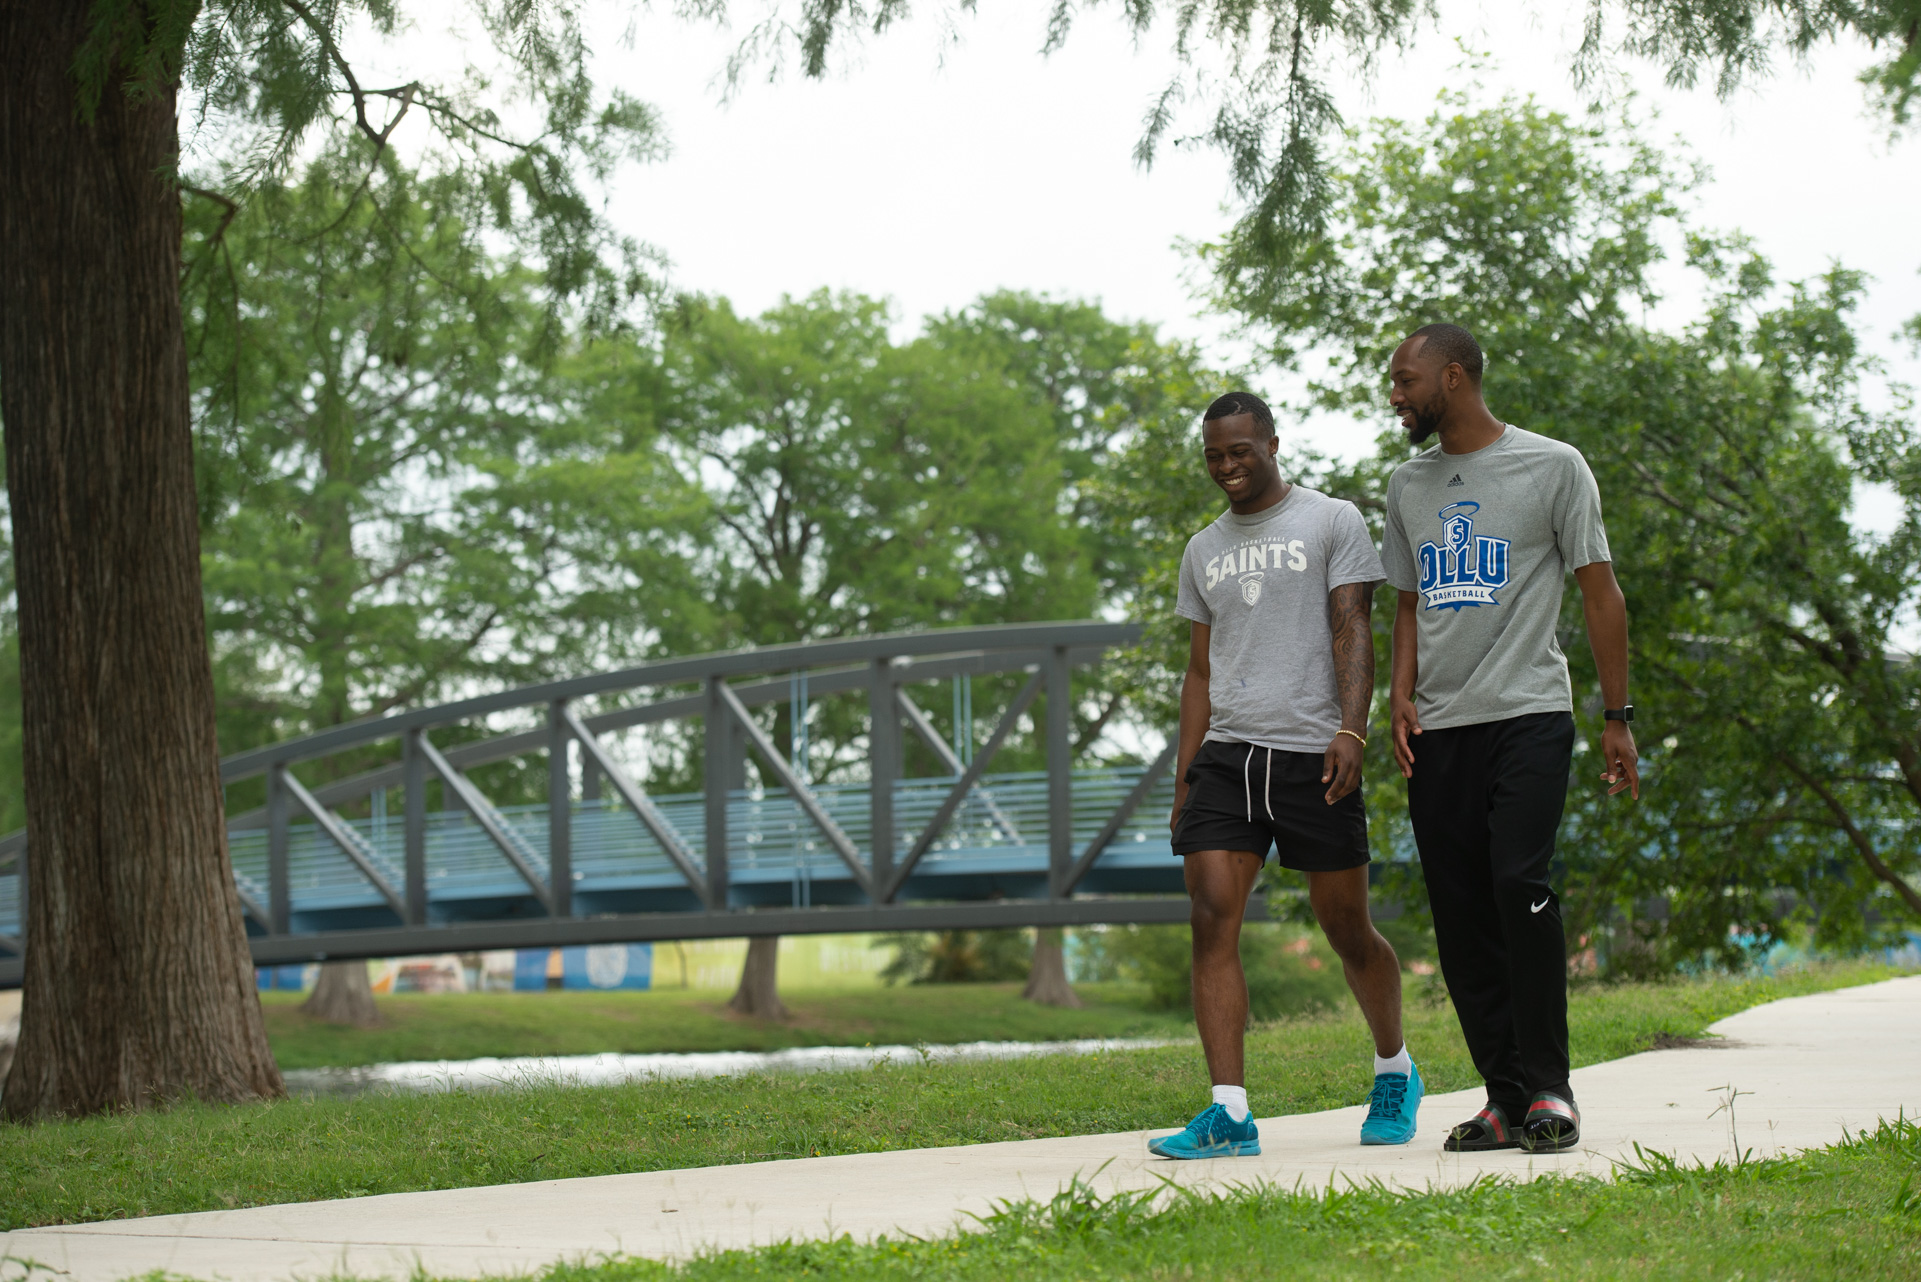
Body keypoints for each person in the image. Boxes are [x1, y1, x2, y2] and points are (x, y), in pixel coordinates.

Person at [1382, 323, 1639, 1155]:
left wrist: (1616, 717)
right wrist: (1396, 694)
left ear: (1451, 378)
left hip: (1528, 712)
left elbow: (1599, 592)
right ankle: (1501, 1097)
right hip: (1439, 728)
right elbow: (1408, 602)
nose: (1393, 393)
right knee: (1458, 914)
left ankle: (1550, 1091)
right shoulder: (1405, 484)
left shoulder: (1552, 465)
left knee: (1517, 885)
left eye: (1403, 379)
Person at [1150, 391, 1420, 1161]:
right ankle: (1229, 1114)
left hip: (1312, 753)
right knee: (1210, 915)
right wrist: (1183, 778)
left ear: (1271, 442)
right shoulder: (1202, 548)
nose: (1227, 467)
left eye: (1239, 451)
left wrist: (1349, 729)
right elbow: (1199, 671)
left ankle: (1393, 1068)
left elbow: (1352, 629)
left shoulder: (1331, 520)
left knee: (1346, 929)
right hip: (1227, 757)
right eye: (1213, 457)